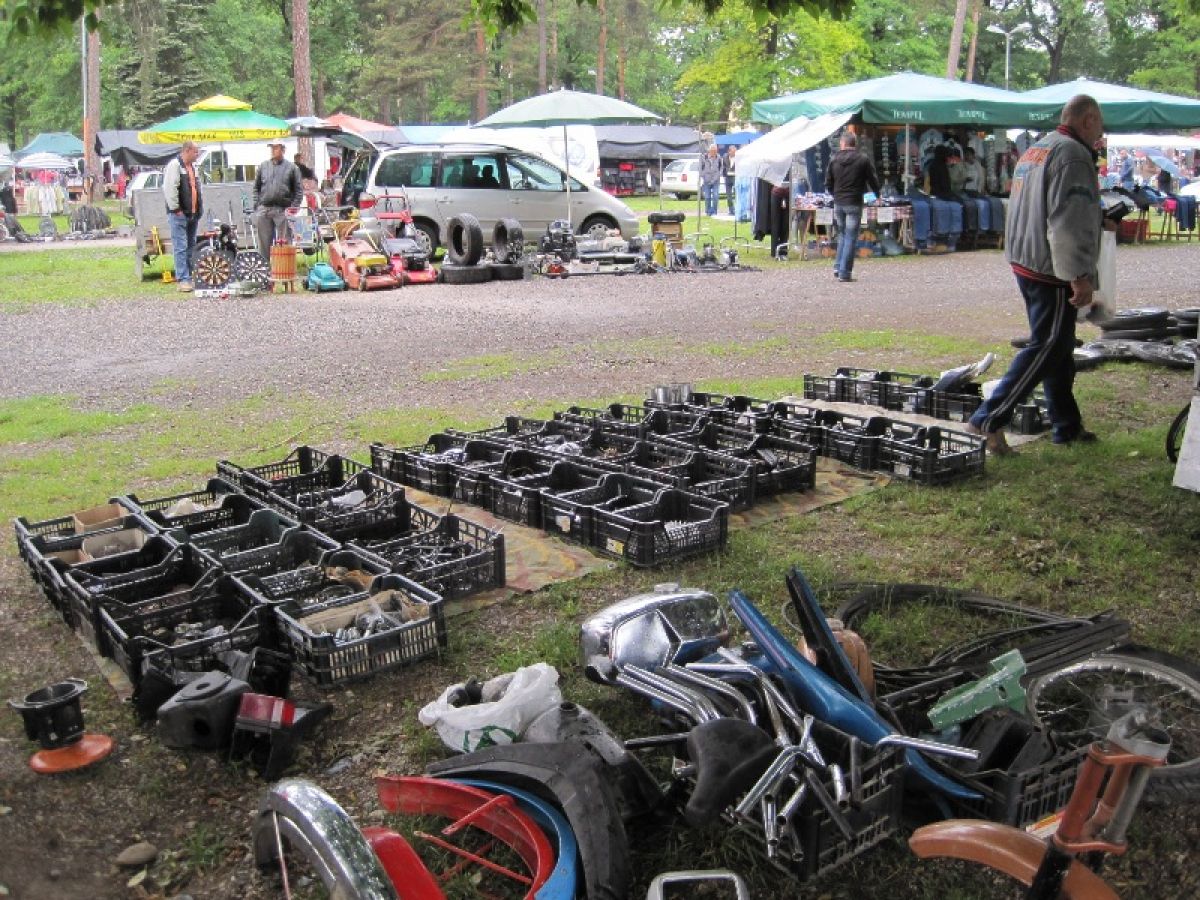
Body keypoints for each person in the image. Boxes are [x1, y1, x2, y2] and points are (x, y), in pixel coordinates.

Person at [967, 94, 1107, 455]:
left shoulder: (1037, 149)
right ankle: (987, 418)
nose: (1101, 132)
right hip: (1050, 266)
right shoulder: (1073, 154)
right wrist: (1078, 274)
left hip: (1027, 257)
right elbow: (1067, 221)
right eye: (1100, 123)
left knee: (1059, 346)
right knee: (1049, 344)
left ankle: (1066, 426)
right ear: (1088, 120)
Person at [825, 130, 880, 283]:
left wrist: (835, 194)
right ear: (855, 143)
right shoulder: (863, 159)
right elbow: (872, 179)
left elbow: (828, 183)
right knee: (850, 237)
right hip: (854, 202)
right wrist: (877, 194)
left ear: (842, 143)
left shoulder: (834, 159)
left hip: (839, 202)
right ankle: (844, 272)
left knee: (842, 234)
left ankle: (838, 267)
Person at [163, 140, 203, 292]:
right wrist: (176, 209)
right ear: (187, 151)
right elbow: (170, 188)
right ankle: (183, 279)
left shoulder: (193, 167)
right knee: (180, 246)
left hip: (192, 213)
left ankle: (191, 276)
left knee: (191, 245)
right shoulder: (175, 165)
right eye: (195, 151)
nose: (197, 154)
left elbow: (196, 189)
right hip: (179, 214)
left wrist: (198, 209)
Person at [253, 141, 303, 251]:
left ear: (283, 150)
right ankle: (265, 262)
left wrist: (292, 209)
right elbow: (256, 187)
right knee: (263, 245)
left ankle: (285, 263)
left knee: (285, 244)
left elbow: (299, 190)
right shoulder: (263, 166)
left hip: (283, 210)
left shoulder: (292, 168)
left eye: (276, 148)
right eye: (271, 148)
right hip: (264, 209)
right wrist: (257, 205)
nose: (273, 150)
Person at [700, 145, 721, 217]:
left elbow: (721, 169)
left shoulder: (719, 158)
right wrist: (704, 176)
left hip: (716, 180)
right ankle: (708, 211)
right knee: (707, 197)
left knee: (715, 196)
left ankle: (714, 211)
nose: (714, 152)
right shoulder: (704, 157)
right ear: (709, 151)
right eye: (712, 151)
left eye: (715, 151)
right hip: (706, 180)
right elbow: (700, 168)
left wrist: (716, 178)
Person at [722, 146, 737, 215]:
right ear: (729, 151)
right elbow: (723, 166)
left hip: (735, 177)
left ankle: (737, 210)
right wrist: (724, 173)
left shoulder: (738, 157)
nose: (734, 153)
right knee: (728, 196)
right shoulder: (725, 157)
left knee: (736, 195)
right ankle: (731, 210)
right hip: (727, 178)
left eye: (735, 152)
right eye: (733, 152)